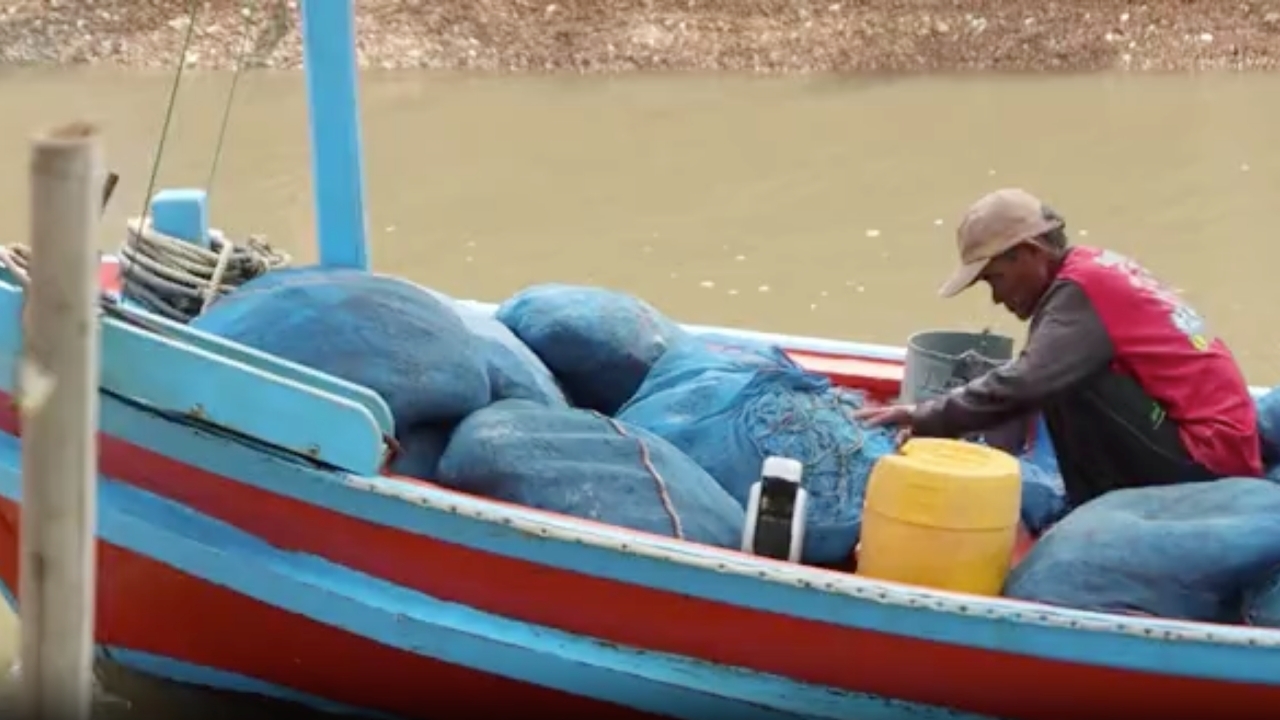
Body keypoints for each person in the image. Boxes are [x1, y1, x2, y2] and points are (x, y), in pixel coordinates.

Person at [856, 188, 1262, 510]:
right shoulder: (1089, 272)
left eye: (996, 278)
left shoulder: (1081, 292)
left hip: (1209, 460)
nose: (997, 298)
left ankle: (1096, 507)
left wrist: (927, 417)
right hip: (1212, 440)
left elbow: (1027, 382)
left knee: (1062, 379)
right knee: (1052, 370)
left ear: (1031, 253)